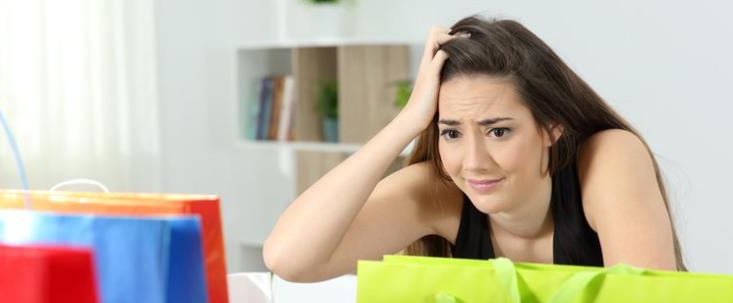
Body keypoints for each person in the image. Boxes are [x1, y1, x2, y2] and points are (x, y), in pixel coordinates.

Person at [264, 15, 683, 283]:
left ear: (552, 127)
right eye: (451, 133)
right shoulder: (440, 190)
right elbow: (289, 259)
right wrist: (408, 122)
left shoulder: (608, 158)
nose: (474, 163)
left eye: (498, 132)